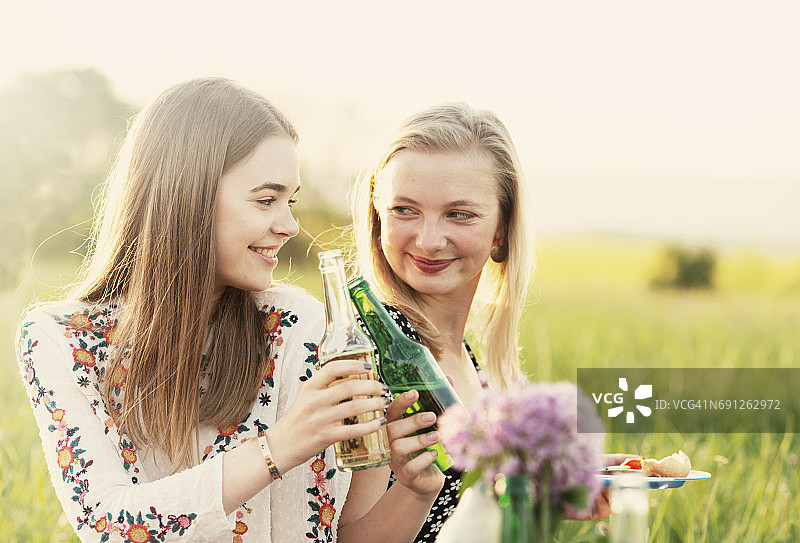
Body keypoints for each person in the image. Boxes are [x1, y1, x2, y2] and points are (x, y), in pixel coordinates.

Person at [16, 77, 443, 543]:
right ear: (187, 196)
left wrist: (414, 492)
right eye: (266, 200)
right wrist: (279, 446)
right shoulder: (61, 341)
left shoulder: (301, 328)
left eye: (291, 201)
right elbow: (108, 525)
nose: (290, 225)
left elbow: (339, 536)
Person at [351, 102, 611, 541]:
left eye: (459, 214)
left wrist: (544, 498)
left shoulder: (465, 356)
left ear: (501, 230)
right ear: (377, 214)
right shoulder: (376, 352)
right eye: (404, 210)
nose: (428, 240)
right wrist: (413, 493)